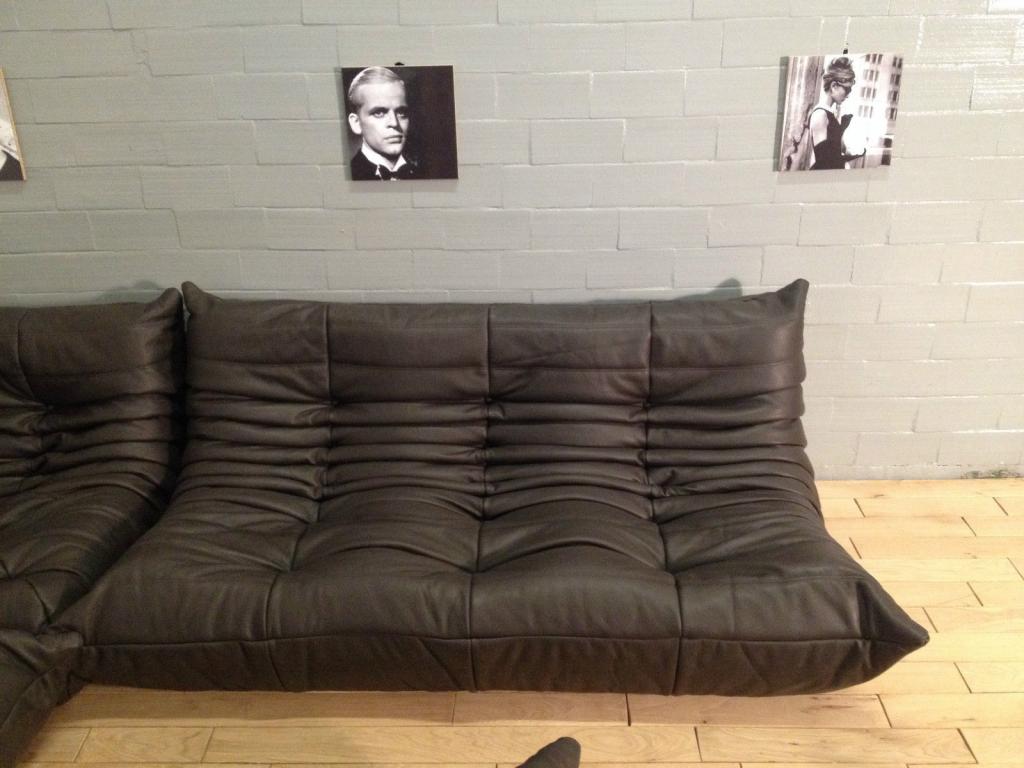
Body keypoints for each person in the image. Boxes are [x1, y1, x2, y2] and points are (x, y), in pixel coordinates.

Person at [346, 66, 418, 181]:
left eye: (401, 113)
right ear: (356, 123)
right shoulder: (349, 176)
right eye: (379, 113)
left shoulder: (425, 173)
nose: (394, 123)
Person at [807, 57, 865, 170]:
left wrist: (855, 155)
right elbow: (824, 162)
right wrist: (847, 160)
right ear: (834, 86)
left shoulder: (828, 113)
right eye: (847, 89)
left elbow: (832, 153)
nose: (848, 95)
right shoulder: (820, 115)